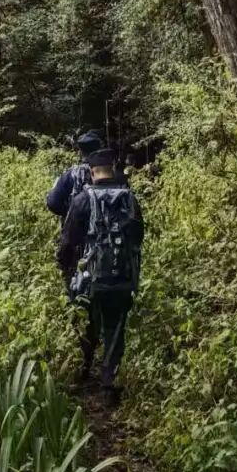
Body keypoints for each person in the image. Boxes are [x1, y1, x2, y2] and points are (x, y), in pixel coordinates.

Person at [57, 147, 144, 403]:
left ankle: (83, 370)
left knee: (86, 320)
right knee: (115, 327)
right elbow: (138, 236)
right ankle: (109, 382)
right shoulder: (129, 198)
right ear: (112, 170)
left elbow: (68, 241)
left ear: (93, 172)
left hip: (90, 277)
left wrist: (64, 266)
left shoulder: (82, 200)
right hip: (121, 276)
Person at [45, 129, 105, 220]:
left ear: (81, 152)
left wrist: (70, 212)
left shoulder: (71, 175)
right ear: (100, 149)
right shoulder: (109, 172)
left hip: (76, 229)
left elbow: (53, 203)